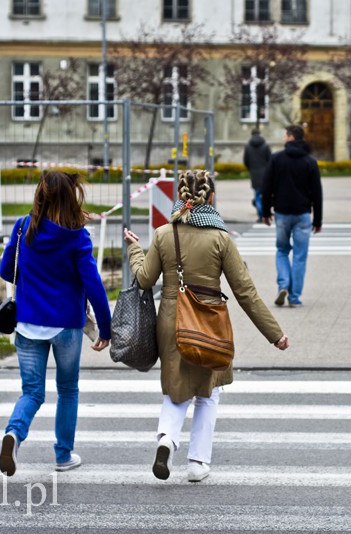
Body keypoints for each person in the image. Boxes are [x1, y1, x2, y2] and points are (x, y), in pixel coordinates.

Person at [123, 169, 289, 483]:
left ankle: (166, 442)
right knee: (208, 392)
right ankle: (198, 463)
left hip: (172, 319)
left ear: (181, 197)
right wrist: (274, 334)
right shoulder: (221, 238)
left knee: (176, 388)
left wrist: (134, 249)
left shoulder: (163, 233)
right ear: (210, 197)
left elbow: (145, 279)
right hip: (209, 321)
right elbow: (245, 292)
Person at [0, 170, 112, 477]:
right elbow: (93, 284)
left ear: (40, 195)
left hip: (27, 323)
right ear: (70, 198)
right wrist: (105, 327)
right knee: (68, 390)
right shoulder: (77, 237)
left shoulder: (23, 228)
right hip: (66, 327)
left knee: (32, 392)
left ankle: (13, 434)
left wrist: (34, 279)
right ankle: (63, 455)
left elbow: (6, 271)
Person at [260, 124, 323, 308]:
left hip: (282, 213)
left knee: (281, 250)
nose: (283, 138)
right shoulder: (310, 162)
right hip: (303, 214)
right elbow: (317, 193)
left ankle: (283, 284)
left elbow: (266, 188)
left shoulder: (276, 159)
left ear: (291, 137)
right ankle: (294, 297)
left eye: (284, 135)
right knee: (300, 256)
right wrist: (317, 220)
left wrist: (265, 212)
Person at [243, 129, 271, 223]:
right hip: (265, 173)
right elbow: (270, 160)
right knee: (266, 195)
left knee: (257, 195)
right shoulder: (265, 146)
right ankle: (266, 213)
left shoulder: (248, 146)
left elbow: (246, 161)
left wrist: (251, 168)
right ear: (260, 134)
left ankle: (261, 215)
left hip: (254, 174)